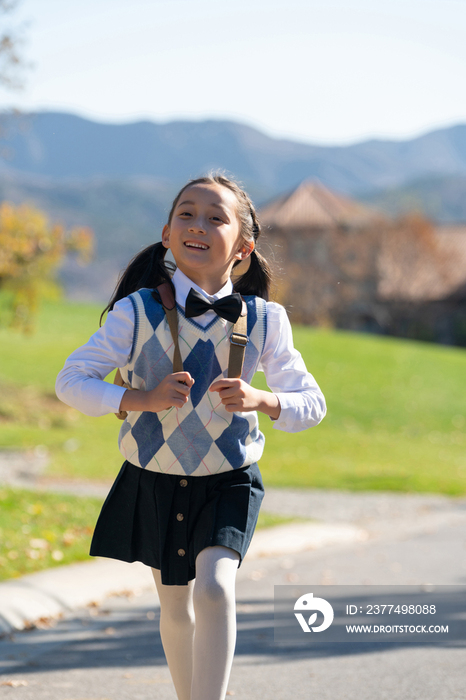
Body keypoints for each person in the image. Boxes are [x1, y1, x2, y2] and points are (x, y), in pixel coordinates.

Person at [56, 173, 326, 700]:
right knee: (175, 608)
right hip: (153, 479)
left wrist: (264, 400)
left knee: (216, 589)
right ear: (166, 233)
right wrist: (140, 399)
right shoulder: (134, 313)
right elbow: (70, 381)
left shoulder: (267, 321)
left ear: (244, 249)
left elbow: (311, 403)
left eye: (215, 217)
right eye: (186, 213)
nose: (197, 224)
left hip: (228, 481)